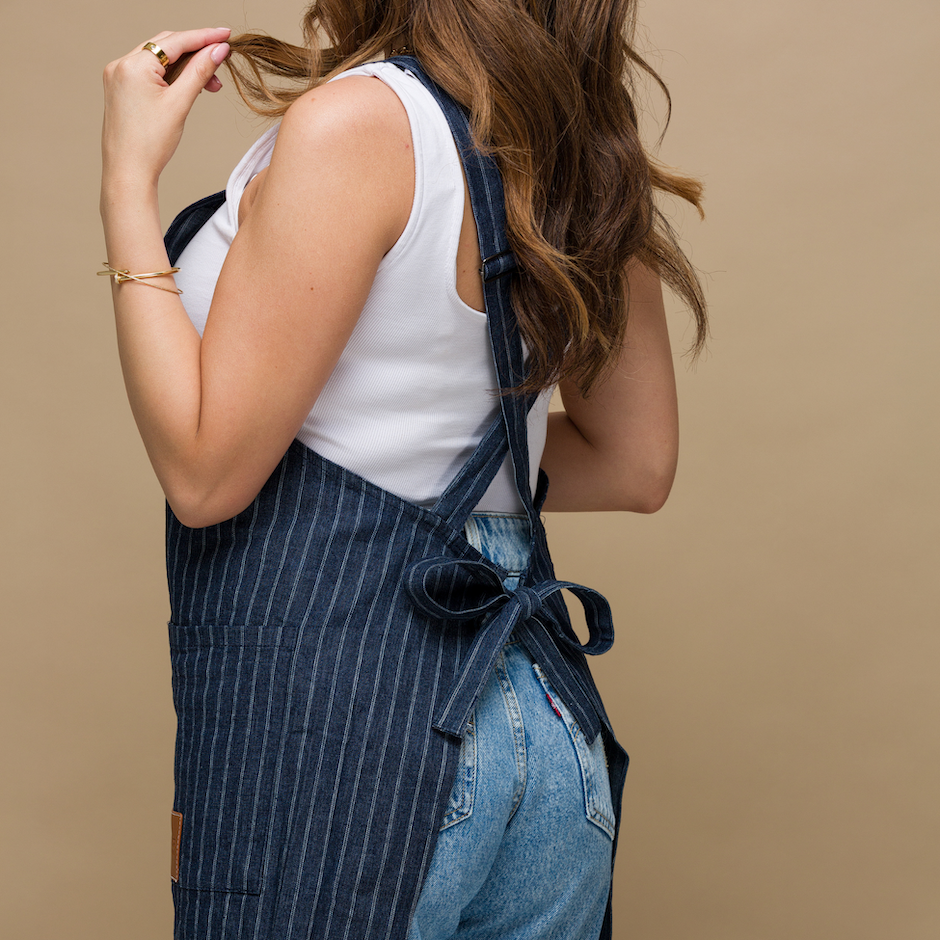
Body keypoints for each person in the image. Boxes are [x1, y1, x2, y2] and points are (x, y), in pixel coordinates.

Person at [100, 2, 706, 938]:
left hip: (348, 742)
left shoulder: (357, 127)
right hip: (546, 737)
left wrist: (126, 182)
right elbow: (635, 464)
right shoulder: (584, 148)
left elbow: (205, 472)